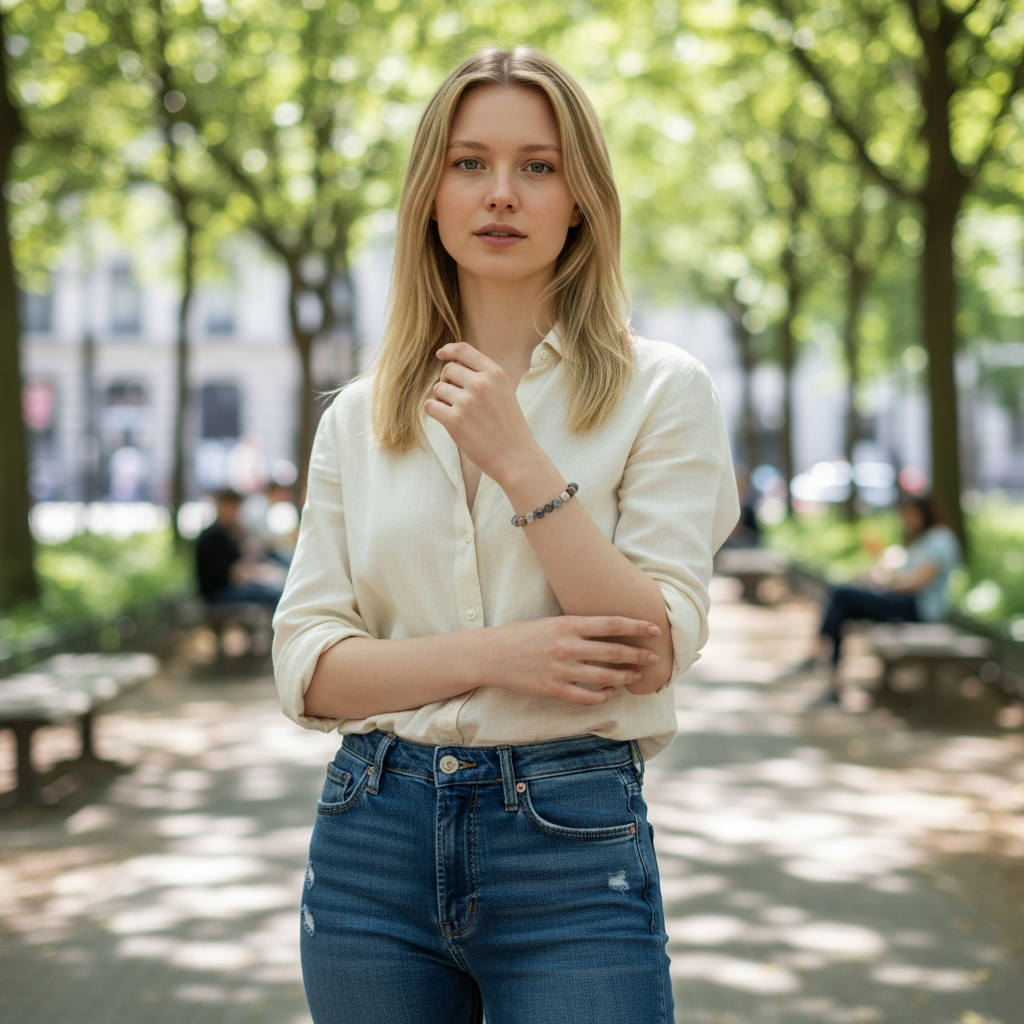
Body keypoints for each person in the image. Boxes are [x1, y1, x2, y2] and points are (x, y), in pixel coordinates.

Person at [272, 47, 739, 1024]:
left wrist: (521, 461)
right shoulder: (357, 417)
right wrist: (506, 654)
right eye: (468, 162)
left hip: (569, 837)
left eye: (537, 165)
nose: (500, 193)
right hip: (371, 835)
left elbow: (647, 648)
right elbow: (308, 669)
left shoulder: (663, 391)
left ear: (580, 198)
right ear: (429, 195)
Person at [801, 492, 962, 706]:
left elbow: (916, 583)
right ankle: (832, 680)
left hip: (918, 608)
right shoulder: (921, 539)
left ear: (925, 512)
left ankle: (819, 656)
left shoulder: (939, 539)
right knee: (842, 605)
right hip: (905, 603)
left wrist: (883, 583)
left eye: (910, 513)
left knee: (841, 594)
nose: (907, 519)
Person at [194, 487, 285, 608]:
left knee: (272, 592)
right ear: (223, 506)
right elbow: (232, 572)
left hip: (228, 589)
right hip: (218, 595)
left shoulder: (227, 532)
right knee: (272, 596)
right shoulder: (212, 536)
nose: (236, 513)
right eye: (233, 508)